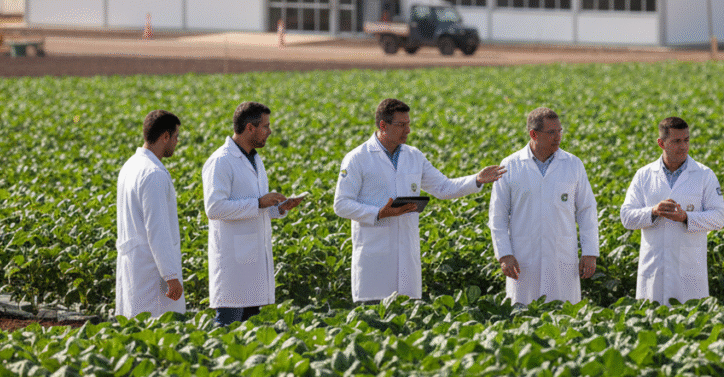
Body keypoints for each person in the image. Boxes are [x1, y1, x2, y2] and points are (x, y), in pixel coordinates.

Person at [334, 98, 505, 303]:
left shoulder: (413, 156)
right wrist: (379, 213)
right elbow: (341, 204)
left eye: (408, 124)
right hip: (374, 264)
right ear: (383, 125)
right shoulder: (358, 158)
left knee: (408, 321)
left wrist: (476, 180)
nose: (408, 130)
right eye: (401, 125)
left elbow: (443, 188)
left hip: (407, 261)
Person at [203, 101, 303, 326]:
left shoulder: (255, 158)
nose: (269, 131)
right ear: (250, 128)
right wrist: (258, 203)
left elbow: (257, 207)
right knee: (228, 327)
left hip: (253, 261)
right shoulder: (221, 161)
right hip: (233, 266)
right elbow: (214, 208)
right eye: (265, 126)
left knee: (252, 331)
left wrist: (279, 208)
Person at [488, 107, 599, 305]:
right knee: (523, 318)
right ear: (533, 134)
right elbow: (498, 215)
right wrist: (504, 254)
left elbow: (586, 210)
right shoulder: (511, 166)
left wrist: (590, 252)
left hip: (561, 256)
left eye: (560, 131)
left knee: (563, 318)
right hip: (524, 259)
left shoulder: (573, 164)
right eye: (551, 132)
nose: (558, 137)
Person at [620, 116, 724, 305]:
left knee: (691, 325)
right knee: (652, 323)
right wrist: (653, 211)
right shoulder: (644, 175)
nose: (683, 146)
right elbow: (626, 217)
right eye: (676, 141)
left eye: (686, 140)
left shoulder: (704, 175)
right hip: (654, 268)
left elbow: (719, 217)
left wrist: (686, 217)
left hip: (689, 270)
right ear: (661, 143)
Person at [115, 110, 186, 318]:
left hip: (136, 266)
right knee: (159, 332)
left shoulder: (131, 166)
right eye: (175, 136)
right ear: (165, 136)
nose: (176, 141)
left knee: (136, 329)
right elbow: (158, 229)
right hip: (152, 272)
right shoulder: (153, 174)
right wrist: (170, 276)